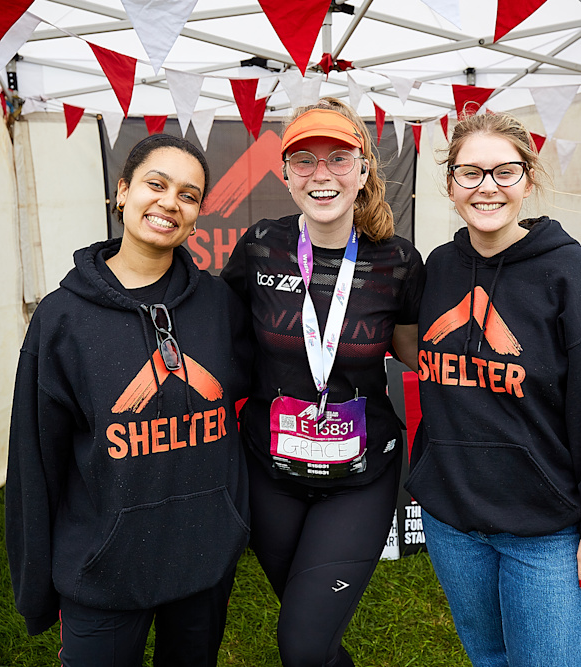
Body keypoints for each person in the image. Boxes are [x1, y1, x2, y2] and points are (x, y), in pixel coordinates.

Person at [5, 134, 251, 667]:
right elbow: (35, 459)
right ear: (122, 191)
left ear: (197, 214)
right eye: (155, 185)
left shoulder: (219, 305)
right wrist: (35, 585)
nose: (169, 203)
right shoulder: (62, 318)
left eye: (188, 195)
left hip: (202, 560)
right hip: (104, 569)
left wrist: (232, 517)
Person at [405, 111, 581, 666]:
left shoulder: (572, 272)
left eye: (504, 171)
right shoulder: (438, 268)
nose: (487, 187)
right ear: (451, 184)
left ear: (528, 180)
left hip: (546, 530)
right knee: (488, 659)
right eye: (471, 173)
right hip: (452, 523)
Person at [220, 98, 425, 667]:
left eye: (338, 158)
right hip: (270, 473)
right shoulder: (261, 244)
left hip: (362, 477)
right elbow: (216, 332)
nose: (322, 174)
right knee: (311, 635)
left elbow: (416, 354)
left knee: (302, 643)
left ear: (363, 171)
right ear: (285, 175)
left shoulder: (398, 262)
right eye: (304, 160)